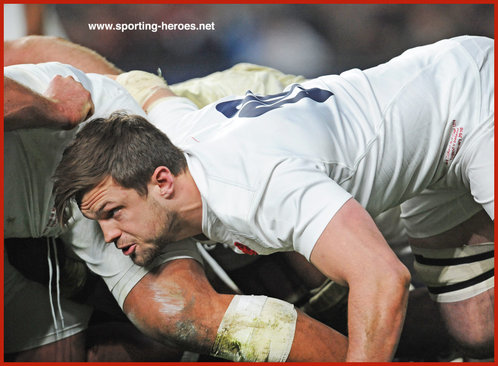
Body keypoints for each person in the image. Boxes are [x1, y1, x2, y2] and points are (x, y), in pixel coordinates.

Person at [54, 35, 494, 361]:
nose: (109, 235)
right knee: (478, 333)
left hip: (473, 97)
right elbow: (152, 91)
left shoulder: (255, 188)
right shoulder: (174, 142)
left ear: (162, 182)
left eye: (113, 213)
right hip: (433, 164)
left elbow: (381, 279)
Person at [4, 37, 348, 362]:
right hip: (48, 212)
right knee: (171, 319)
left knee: (186, 307)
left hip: (92, 141)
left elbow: (24, 49)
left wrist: (58, 109)